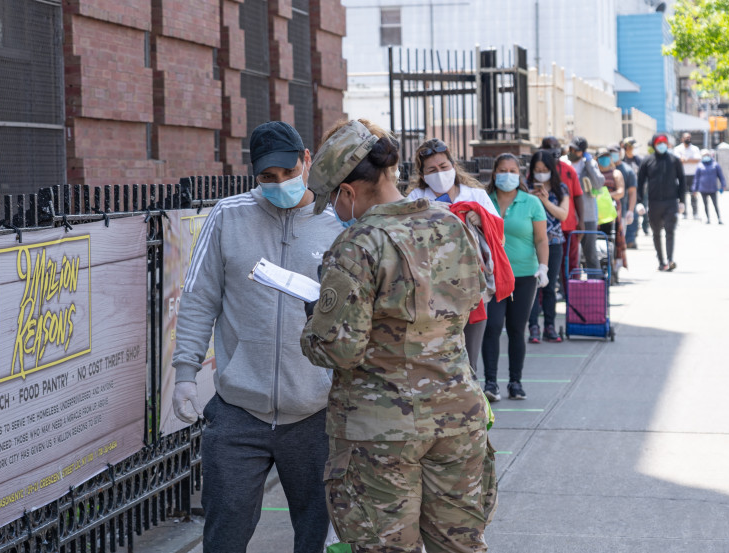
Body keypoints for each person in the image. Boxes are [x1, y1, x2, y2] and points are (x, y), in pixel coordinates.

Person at [301, 119, 497, 552]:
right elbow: (472, 302)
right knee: (459, 545)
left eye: (335, 198)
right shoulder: (452, 225)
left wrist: (315, 319)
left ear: (348, 192)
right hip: (457, 416)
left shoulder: (357, 244)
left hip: (381, 431)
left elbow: (339, 348)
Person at [171, 121, 341, 553]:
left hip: (315, 411)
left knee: (315, 535)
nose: (280, 183)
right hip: (238, 409)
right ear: (255, 174)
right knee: (224, 532)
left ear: (306, 160)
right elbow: (198, 297)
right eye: (268, 177)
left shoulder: (338, 221)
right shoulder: (228, 216)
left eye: (287, 172)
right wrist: (186, 372)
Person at [408, 138, 499, 378]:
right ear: (423, 173)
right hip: (432, 293)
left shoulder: (476, 195)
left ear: (453, 165)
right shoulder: (416, 198)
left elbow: (500, 238)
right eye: (432, 169)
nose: (440, 173)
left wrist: (483, 223)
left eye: (444, 166)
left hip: (473, 288)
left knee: (469, 361)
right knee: (440, 359)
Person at [481, 154, 548, 402]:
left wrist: (543, 267)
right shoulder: (484, 201)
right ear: (494, 173)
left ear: (519, 175)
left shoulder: (531, 203)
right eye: (502, 170)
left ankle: (515, 382)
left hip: (524, 276)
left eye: (512, 170)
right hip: (494, 276)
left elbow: (541, 239)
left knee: (516, 329)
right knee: (493, 326)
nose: (507, 175)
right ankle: (490, 382)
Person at [525, 150, 568, 344]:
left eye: (545, 170)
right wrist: (533, 198)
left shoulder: (561, 189)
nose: (541, 173)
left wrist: (543, 200)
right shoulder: (524, 189)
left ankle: (549, 326)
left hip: (554, 243)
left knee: (550, 286)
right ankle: (533, 326)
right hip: (531, 243)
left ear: (552, 170)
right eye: (537, 170)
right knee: (532, 285)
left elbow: (563, 215)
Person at [637, 134, 686, 272]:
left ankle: (670, 260)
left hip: (671, 202)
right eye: (659, 143)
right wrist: (639, 202)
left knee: (670, 231)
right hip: (654, 203)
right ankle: (661, 261)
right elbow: (640, 182)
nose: (662, 145)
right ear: (654, 145)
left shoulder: (674, 160)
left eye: (664, 143)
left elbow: (682, 181)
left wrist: (682, 201)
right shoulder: (647, 161)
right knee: (656, 233)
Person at [540, 137, 584, 284]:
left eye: (555, 147)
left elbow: (578, 196)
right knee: (545, 265)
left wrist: (581, 221)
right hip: (544, 228)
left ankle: (572, 295)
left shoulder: (569, 170)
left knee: (570, 264)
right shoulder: (537, 172)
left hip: (568, 225)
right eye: (549, 148)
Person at [564, 136, 604, 270]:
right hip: (568, 216)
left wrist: (589, 164)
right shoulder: (564, 163)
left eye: (576, 150)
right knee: (569, 253)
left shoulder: (589, 164)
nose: (572, 152)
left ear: (582, 152)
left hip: (587, 215)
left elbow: (599, 184)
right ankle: (571, 285)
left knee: (590, 253)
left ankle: (595, 286)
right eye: (570, 149)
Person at [596, 147, 627, 278]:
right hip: (596, 213)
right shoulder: (594, 174)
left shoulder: (616, 174)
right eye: (601, 157)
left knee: (612, 238)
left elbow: (620, 192)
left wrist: (605, 196)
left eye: (606, 156)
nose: (604, 159)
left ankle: (613, 267)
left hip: (611, 213)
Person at [616, 140, 640, 249]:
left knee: (632, 215)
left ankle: (631, 239)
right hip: (617, 200)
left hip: (634, 190)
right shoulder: (616, 164)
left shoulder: (637, 161)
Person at [694, 150, 726, 224]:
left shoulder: (715, 165)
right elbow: (696, 179)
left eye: (707, 155)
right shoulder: (699, 166)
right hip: (703, 189)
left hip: (713, 188)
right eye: (704, 155)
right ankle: (708, 219)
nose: (706, 156)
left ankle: (719, 218)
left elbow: (721, 176)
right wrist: (694, 189)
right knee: (705, 205)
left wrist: (723, 185)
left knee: (715, 204)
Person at [674, 133, 700, 219]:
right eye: (686, 138)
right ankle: (684, 213)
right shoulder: (678, 149)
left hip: (693, 175)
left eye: (689, 137)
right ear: (682, 139)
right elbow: (677, 160)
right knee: (682, 195)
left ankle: (695, 213)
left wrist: (685, 159)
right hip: (682, 176)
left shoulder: (694, 149)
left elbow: (697, 160)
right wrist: (689, 160)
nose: (688, 139)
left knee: (694, 194)